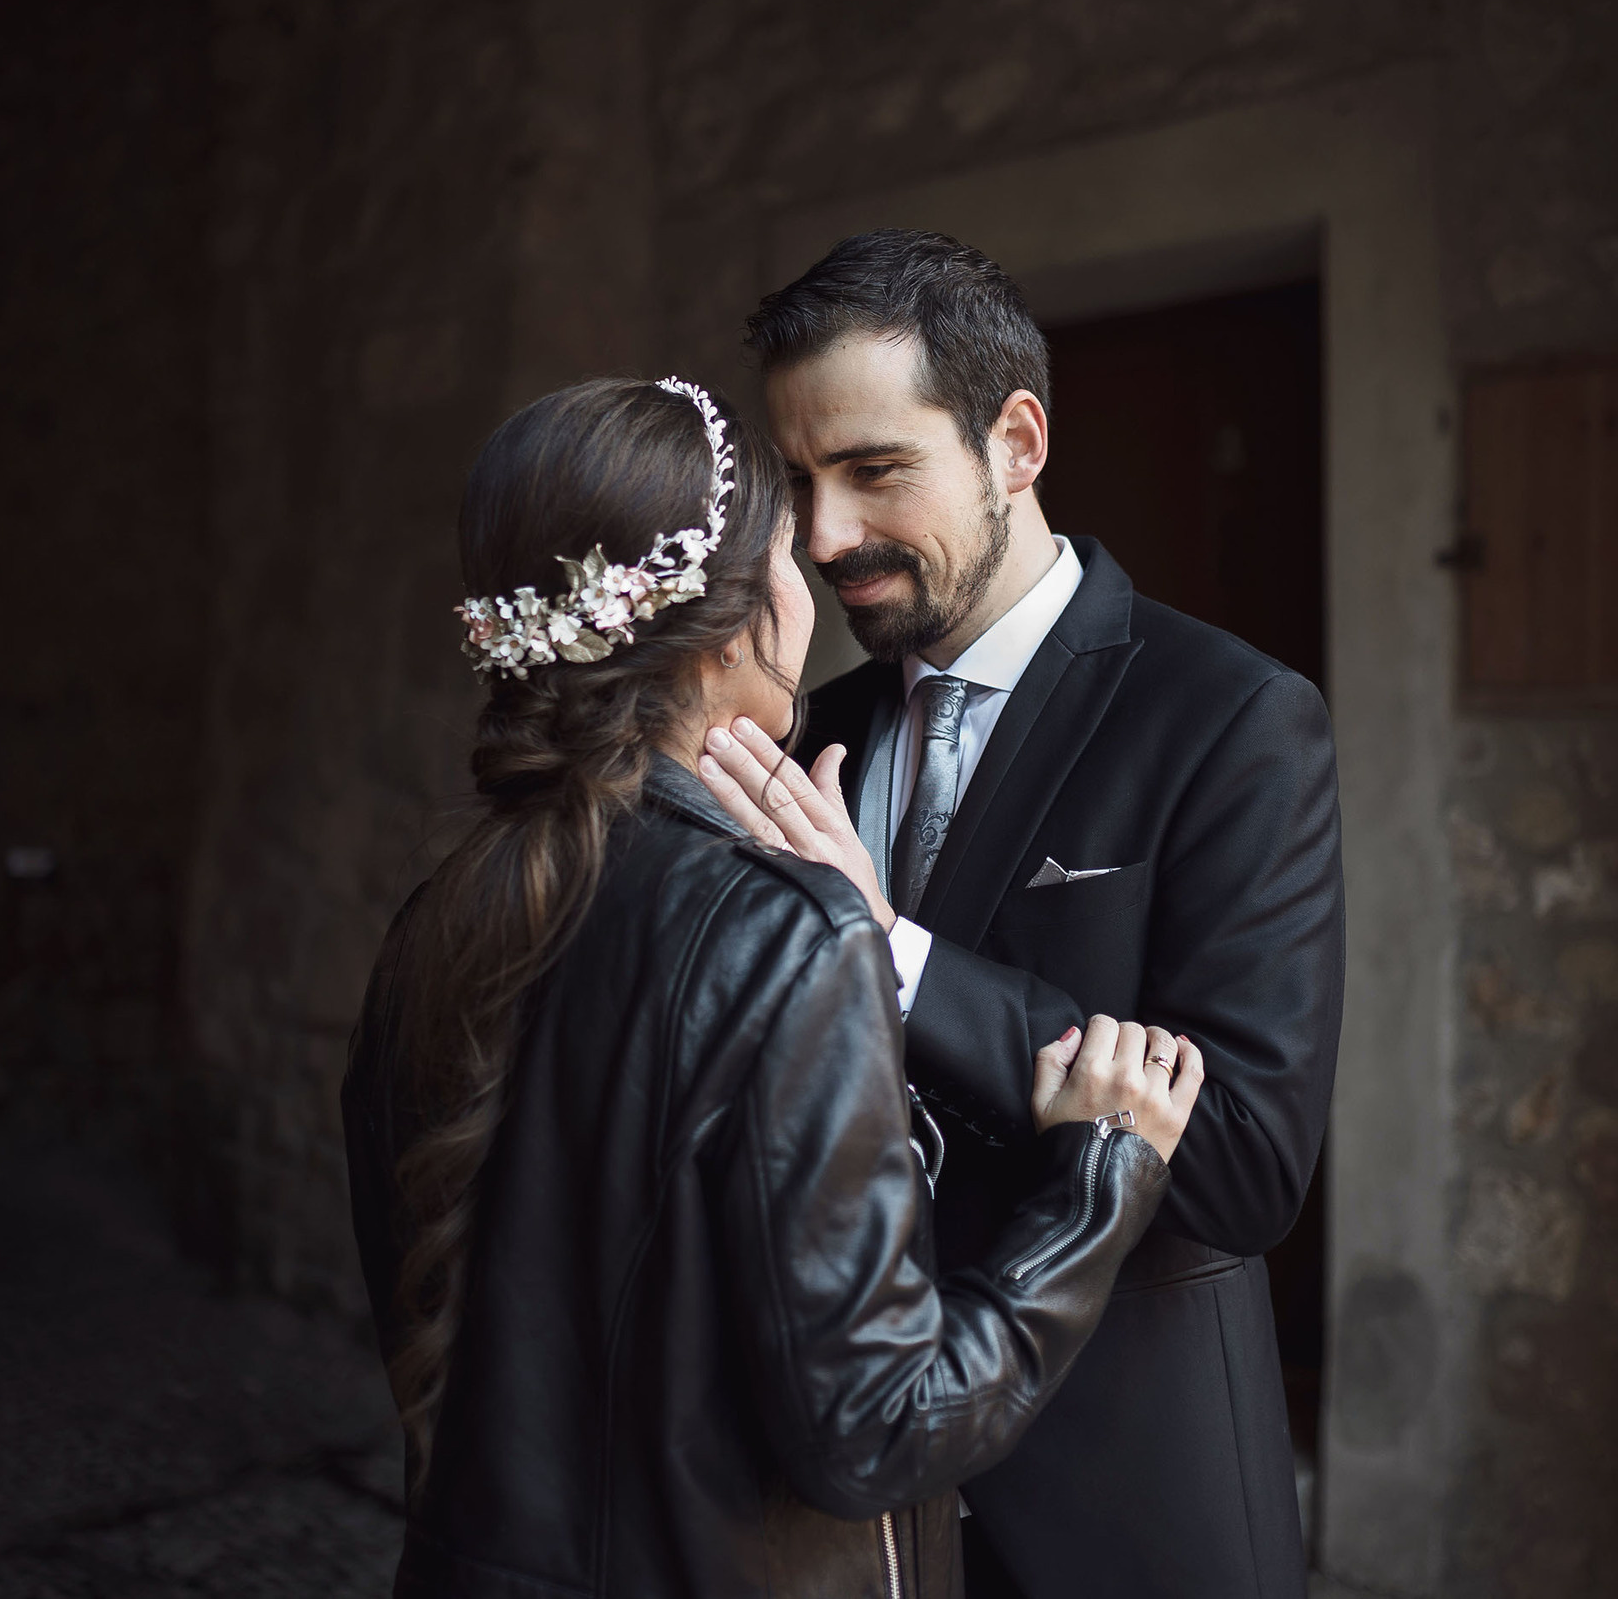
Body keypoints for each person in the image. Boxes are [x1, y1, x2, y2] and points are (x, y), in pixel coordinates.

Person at [340, 375, 1207, 1599]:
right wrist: (1097, 1178)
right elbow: (876, 1429)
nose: (815, 573)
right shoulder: (787, 936)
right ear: (739, 618)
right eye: (782, 554)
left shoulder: (436, 922)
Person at [699, 232, 1346, 1599]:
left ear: (1018, 442)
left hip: (1127, 1512)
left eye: (875, 472)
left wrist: (892, 951)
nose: (824, 541)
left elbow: (1241, 1162)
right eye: (802, 484)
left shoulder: (1230, 717)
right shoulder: (823, 724)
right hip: (859, 1506)